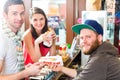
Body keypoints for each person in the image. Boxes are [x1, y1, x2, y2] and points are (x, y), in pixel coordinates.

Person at [49, 19, 120, 80]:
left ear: (99, 38)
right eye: (82, 38)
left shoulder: (100, 59)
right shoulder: (100, 52)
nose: (84, 41)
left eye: (88, 37)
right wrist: (61, 68)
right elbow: (81, 73)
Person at [0, 0, 43, 80]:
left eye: (22, 13)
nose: (19, 18)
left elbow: (11, 68)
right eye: (14, 13)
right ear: (5, 15)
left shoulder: (17, 36)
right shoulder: (2, 39)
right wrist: (26, 72)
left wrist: (26, 68)